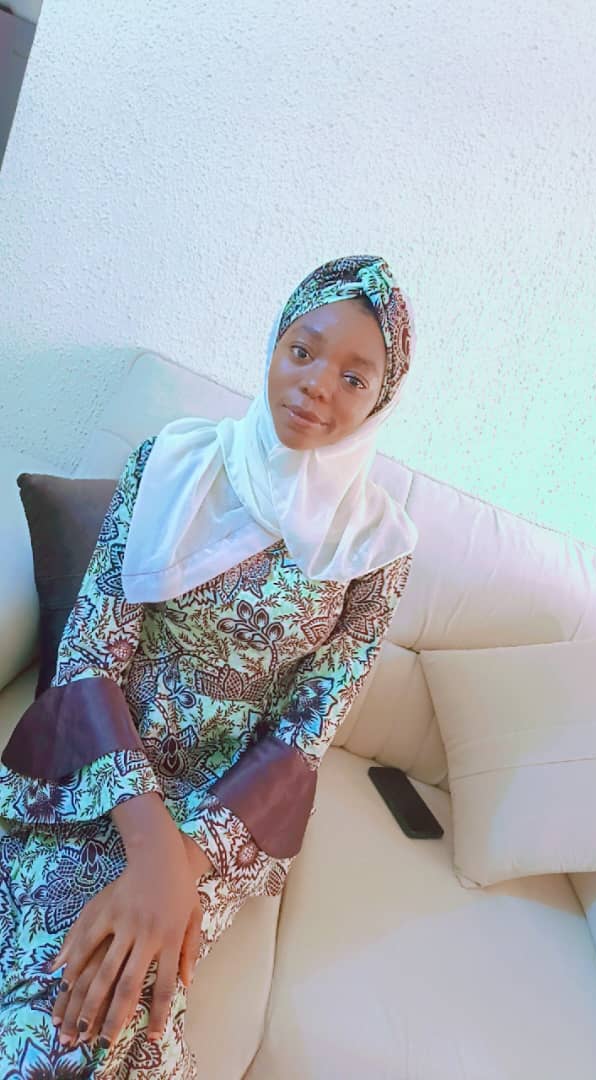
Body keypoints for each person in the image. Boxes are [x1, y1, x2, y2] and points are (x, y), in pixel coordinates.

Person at [0, 254, 419, 1078]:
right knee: (53, 974)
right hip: (97, 767)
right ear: (273, 345)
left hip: (218, 815)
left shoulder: (378, 547)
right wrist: (148, 846)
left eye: (353, 377)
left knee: (91, 1019)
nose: (316, 386)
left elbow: (306, 734)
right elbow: (91, 651)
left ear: (381, 399)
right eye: (301, 351)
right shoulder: (171, 464)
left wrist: (180, 861)